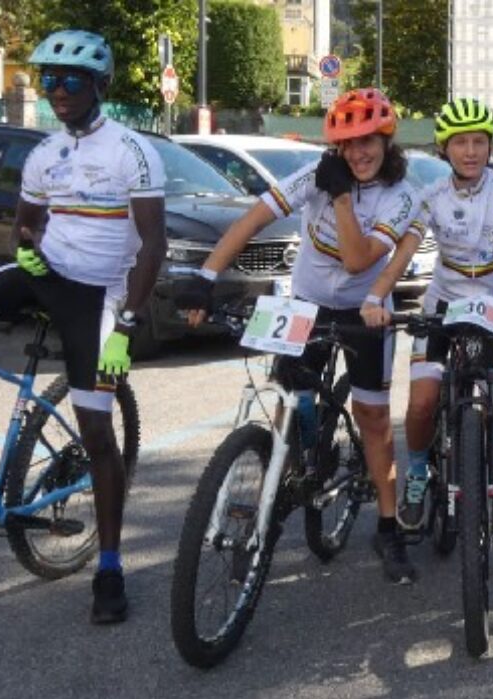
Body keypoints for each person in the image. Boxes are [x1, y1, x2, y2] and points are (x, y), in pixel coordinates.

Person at [0, 30, 165, 623]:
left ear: (101, 85)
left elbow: (154, 244)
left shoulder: (132, 152)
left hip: (97, 295)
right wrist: (24, 249)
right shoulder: (45, 153)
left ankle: (109, 566)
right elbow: (25, 225)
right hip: (44, 275)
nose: (58, 90)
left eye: (71, 80)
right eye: (49, 79)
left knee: (97, 433)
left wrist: (126, 324)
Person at [173, 88, 424, 585]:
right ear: (336, 148)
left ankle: (389, 527)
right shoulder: (315, 176)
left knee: (372, 416)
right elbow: (252, 219)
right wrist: (206, 276)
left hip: (364, 309)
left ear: (386, 138)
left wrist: (343, 198)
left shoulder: (402, 194)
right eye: (348, 145)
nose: (359, 153)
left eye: (368, 140)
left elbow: (356, 259)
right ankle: (267, 512)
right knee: (289, 401)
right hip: (306, 301)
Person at [361, 98, 493, 569]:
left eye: (479, 142)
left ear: (490, 146)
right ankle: (417, 470)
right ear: (445, 149)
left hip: (488, 312)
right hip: (440, 308)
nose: (471, 151)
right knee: (421, 401)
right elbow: (403, 253)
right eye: (460, 143)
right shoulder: (432, 195)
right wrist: (375, 297)